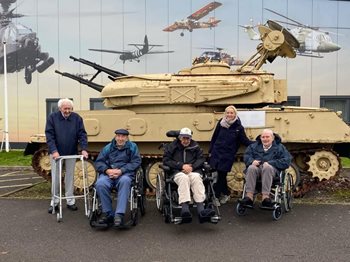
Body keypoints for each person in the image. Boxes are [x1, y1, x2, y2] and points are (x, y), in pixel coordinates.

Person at [163, 127, 215, 223]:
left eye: (188, 138)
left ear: (190, 138)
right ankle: (185, 209)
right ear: (179, 138)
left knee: (196, 177)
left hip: (193, 170)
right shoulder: (172, 146)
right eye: (184, 138)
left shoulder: (195, 146)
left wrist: (192, 167)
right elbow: (166, 160)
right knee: (184, 178)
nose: (186, 140)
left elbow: (201, 159)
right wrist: (181, 166)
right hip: (178, 171)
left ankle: (201, 210)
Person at [45, 98, 88, 214]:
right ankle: (55, 201)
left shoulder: (77, 118)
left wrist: (84, 149)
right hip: (56, 153)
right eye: (65, 108)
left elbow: (82, 134)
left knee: (70, 177)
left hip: (71, 152)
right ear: (60, 108)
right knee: (56, 178)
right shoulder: (52, 118)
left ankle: (70, 201)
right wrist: (54, 151)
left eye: (70, 108)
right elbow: (49, 136)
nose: (68, 111)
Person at [94, 129, 141, 228]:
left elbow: (136, 162)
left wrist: (121, 170)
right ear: (115, 137)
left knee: (125, 181)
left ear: (127, 138)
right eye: (118, 136)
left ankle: (119, 214)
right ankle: (108, 213)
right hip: (109, 174)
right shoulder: (108, 147)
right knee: (100, 183)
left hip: (124, 174)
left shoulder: (133, 147)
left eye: (123, 136)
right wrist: (107, 170)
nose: (120, 138)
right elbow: (99, 162)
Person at [209, 105, 252, 206]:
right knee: (219, 176)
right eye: (227, 112)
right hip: (216, 153)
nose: (229, 115)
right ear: (225, 113)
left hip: (227, 155)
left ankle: (215, 196)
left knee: (221, 176)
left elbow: (244, 140)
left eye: (231, 113)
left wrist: (258, 143)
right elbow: (214, 137)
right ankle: (226, 194)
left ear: (235, 114)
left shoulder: (238, 127)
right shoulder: (221, 123)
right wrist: (211, 151)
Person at [240, 129, 292, 208]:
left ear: (272, 138)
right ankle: (249, 197)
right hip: (257, 170)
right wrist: (252, 161)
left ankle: (265, 198)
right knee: (251, 167)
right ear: (260, 138)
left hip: (272, 171)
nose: (265, 139)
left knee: (267, 167)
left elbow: (287, 161)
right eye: (263, 137)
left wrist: (270, 163)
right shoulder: (253, 146)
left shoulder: (280, 147)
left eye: (267, 137)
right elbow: (246, 156)